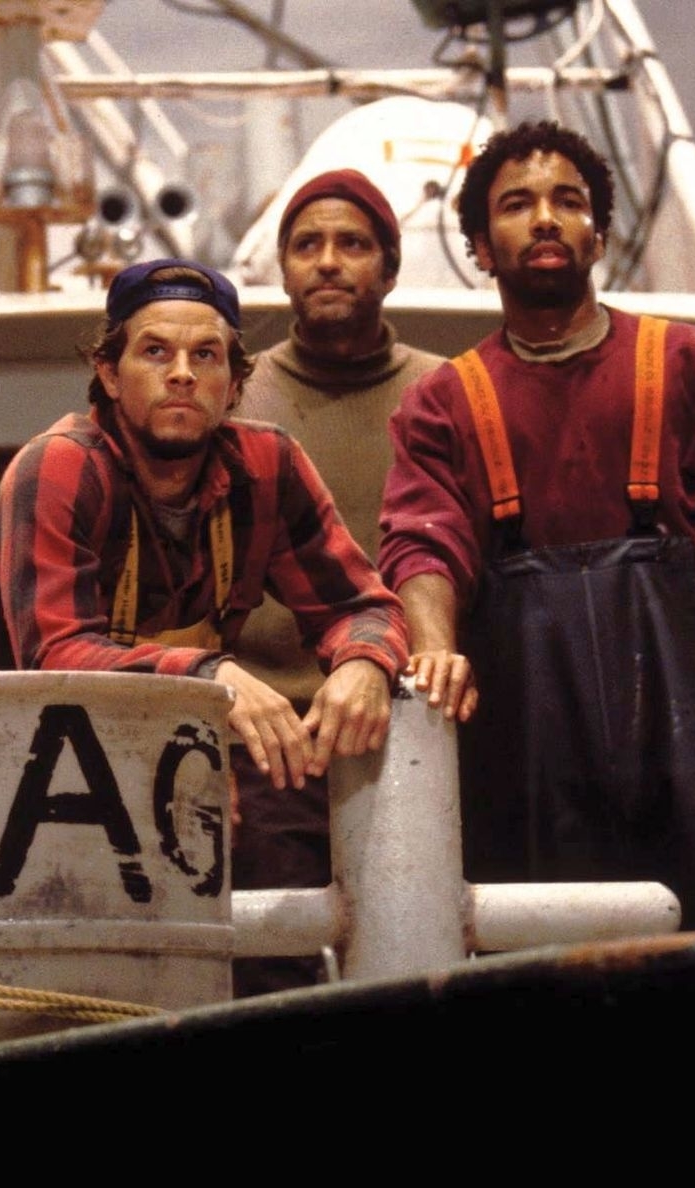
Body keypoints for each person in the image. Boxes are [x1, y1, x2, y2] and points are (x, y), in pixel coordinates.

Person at [379, 121, 695, 930]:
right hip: (526, 760)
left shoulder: (694, 365)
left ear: (599, 235)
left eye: (568, 201)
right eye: (518, 205)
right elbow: (423, 536)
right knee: (543, 974)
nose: (546, 218)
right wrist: (434, 649)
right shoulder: (444, 402)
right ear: (482, 248)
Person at [0, 258, 409, 803]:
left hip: (171, 758)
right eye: (155, 352)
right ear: (109, 374)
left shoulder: (268, 466)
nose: (182, 373)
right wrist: (209, 675)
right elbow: (59, 657)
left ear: (234, 385)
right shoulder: (59, 468)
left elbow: (362, 606)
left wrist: (365, 660)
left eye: (206, 355)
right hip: (16, 770)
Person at [232, 169, 444, 893]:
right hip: (266, 742)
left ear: (388, 267)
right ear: (283, 268)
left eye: (351, 243)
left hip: (418, 730)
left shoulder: (446, 394)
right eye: (307, 244)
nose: (327, 260)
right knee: (274, 978)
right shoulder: (230, 396)